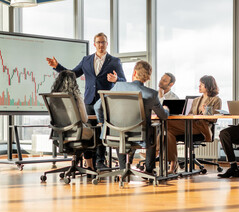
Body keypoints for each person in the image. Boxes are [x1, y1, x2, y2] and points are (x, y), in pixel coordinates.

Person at [46, 32, 126, 170]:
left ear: (107, 44)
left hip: (105, 102)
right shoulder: (86, 60)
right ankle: (91, 163)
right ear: (94, 44)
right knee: (91, 132)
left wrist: (116, 80)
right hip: (89, 101)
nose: (101, 45)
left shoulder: (114, 61)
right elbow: (72, 74)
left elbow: (123, 80)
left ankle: (101, 162)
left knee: (102, 131)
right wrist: (57, 66)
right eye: (98, 42)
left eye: (103, 42)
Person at [94, 60, 169, 174]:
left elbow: (97, 107)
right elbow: (163, 116)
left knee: (120, 129)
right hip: (139, 136)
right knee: (155, 128)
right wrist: (167, 110)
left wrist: (103, 123)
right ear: (148, 77)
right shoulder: (151, 94)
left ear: (134, 73)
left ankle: (122, 169)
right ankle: (149, 170)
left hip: (114, 133)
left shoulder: (117, 87)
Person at [165, 75, 222, 173]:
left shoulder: (216, 100)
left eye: (201, 84)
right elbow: (190, 114)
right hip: (190, 125)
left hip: (202, 128)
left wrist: (205, 112)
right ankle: (173, 165)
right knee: (169, 132)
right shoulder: (196, 100)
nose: (199, 86)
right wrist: (190, 115)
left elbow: (214, 119)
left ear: (208, 86)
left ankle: (156, 151)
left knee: (166, 123)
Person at [50, 70, 95, 171]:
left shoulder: (53, 97)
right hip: (75, 133)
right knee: (93, 131)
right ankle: (90, 166)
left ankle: (75, 162)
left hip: (59, 134)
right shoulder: (76, 97)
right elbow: (84, 118)